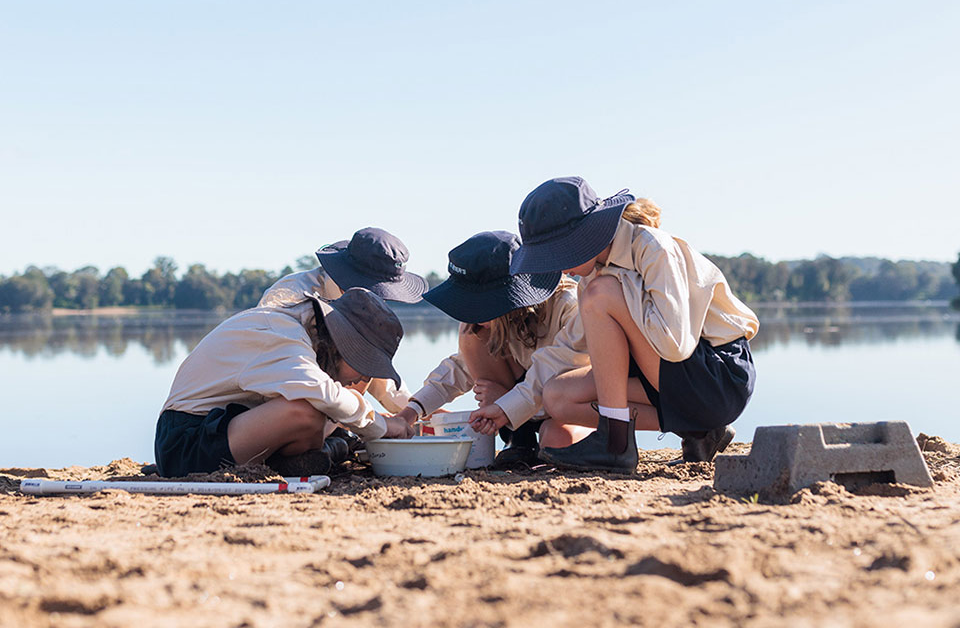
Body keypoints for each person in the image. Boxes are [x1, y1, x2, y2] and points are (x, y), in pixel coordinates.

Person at [474, 176, 759, 474]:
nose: (557, 267)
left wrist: (616, 291)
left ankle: (616, 445)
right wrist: (506, 408)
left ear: (584, 236)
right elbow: (564, 352)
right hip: (676, 382)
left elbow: (674, 344)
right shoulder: (595, 281)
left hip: (718, 377)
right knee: (557, 396)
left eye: (557, 253)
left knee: (601, 294)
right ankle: (700, 432)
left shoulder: (652, 248)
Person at [154, 287, 413, 478]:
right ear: (342, 344)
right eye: (364, 364)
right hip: (185, 441)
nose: (366, 377)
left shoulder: (298, 333)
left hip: (226, 425)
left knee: (325, 408)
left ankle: (294, 460)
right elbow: (322, 393)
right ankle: (310, 456)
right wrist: (383, 424)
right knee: (306, 411)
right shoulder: (281, 335)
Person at [391, 231, 580, 467]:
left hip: (568, 402)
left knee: (556, 441)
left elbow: (550, 380)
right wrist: (407, 415)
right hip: (525, 405)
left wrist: (503, 403)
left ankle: (528, 436)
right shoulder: (492, 322)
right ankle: (520, 442)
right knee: (470, 333)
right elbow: (460, 368)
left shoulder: (568, 308)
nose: (471, 311)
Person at [258, 227, 429, 419]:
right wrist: (369, 419)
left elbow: (375, 367)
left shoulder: (364, 309)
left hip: (331, 406)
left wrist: (416, 410)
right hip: (281, 406)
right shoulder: (290, 299)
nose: (380, 299)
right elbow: (294, 375)